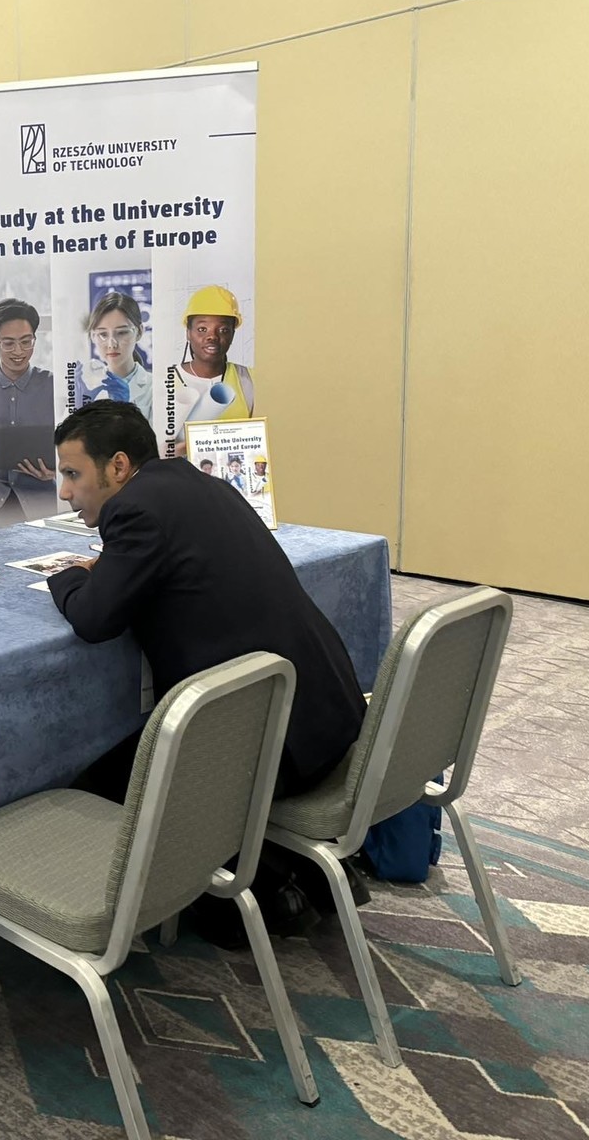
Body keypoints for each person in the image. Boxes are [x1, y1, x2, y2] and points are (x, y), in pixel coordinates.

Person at [45, 401, 366, 942]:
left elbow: (95, 619)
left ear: (118, 467)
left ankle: (251, 893)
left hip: (271, 746)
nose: (65, 492)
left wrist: (69, 578)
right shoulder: (200, 484)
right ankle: (290, 873)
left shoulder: (135, 511)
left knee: (88, 785)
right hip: (325, 715)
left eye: (73, 474)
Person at [0, 298, 56, 522]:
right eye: (9, 343)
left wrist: (55, 471)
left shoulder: (53, 385)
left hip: (42, 497)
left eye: (26, 341)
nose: (19, 351)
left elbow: (69, 445)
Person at [161, 286, 255, 456]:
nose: (212, 336)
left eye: (223, 330)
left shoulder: (250, 380)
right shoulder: (163, 382)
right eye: (202, 329)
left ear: (232, 335)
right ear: (188, 333)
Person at [76, 291, 153, 423]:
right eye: (103, 334)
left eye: (122, 332)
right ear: (93, 336)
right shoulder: (86, 389)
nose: (112, 344)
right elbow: (65, 436)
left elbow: (158, 436)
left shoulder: (155, 388)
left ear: (139, 332)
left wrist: (126, 411)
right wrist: (78, 411)